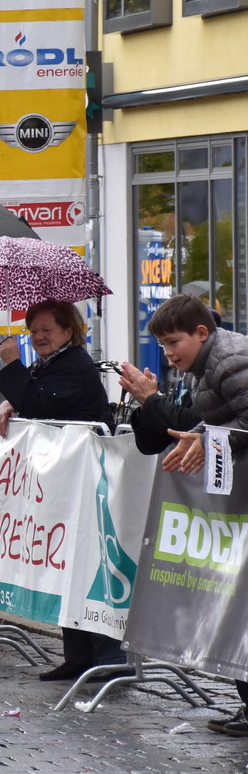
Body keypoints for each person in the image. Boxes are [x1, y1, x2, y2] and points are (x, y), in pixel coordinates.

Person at [118, 295, 248, 733]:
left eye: (174, 342)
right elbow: (209, 419)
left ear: (201, 333)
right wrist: (194, 435)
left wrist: (206, 441)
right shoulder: (199, 368)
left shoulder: (230, 361)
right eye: (162, 344)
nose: (169, 352)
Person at [0, 300, 118, 682]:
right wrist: (12, 398)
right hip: (62, 478)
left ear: (67, 331)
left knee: (85, 561)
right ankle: (78, 655)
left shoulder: (74, 363)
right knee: (66, 565)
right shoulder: (53, 362)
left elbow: (41, 402)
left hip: (84, 478)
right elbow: (32, 394)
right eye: (33, 330)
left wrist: (12, 366)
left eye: (46, 329)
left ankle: (103, 655)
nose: (38, 336)